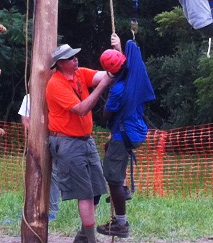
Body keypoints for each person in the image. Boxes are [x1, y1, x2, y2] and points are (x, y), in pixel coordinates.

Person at [46, 41, 115, 243]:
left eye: (75, 55)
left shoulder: (79, 73)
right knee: (85, 193)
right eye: (70, 57)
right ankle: (90, 240)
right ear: (60, 64)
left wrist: (116, 55)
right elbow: (81, 109)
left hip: (86, 140)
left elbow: (106, 74)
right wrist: (103, 85)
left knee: (96, 191)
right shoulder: (55, 85)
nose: (76, 58)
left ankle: (82, 238)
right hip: (66, 143)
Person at [96, 33, 155, 239]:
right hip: (133, 131)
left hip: (123, 135)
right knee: (113, 166)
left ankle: (120, 223)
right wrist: (120, 47)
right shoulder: (134, 78)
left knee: (112, 178)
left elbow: (106, 115)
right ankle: (123, 190)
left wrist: (107, 91)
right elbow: (124, 65)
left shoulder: (118, 89)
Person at [19, 93, 60, 221]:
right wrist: (36, 135)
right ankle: (29, 209)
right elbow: (24, 120)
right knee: (32, 174)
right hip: (35, 143)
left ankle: (52, 211)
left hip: (54, 140)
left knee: (53, 175)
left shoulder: (55, 93)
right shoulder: (28, 97)